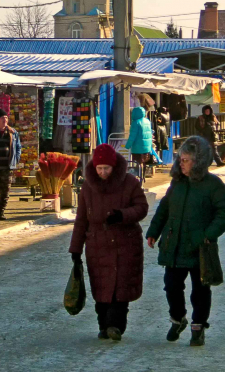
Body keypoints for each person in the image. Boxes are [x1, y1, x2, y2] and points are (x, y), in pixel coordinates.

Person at [146, 136, 225, 347]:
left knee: (200, 290)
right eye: (180, 159)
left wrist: (207, 235)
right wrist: (154, 231)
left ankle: (198, 326)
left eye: (186, 159)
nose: (181, 163)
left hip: (200, 248)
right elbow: (165, 208)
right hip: (174, 245)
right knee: (171, 287)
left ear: (199, 161)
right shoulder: (177, 183)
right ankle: (178, 319)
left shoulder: (213, 185)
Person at [69, 144, 148, 341]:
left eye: (107, 168)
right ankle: (104, 326)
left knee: (120, 289)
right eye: (99, 168)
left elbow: (142, 207)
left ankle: (115, 326)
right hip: (98, 244)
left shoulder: (129, 182)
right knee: (101, 288)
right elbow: (81, 220)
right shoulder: (88, 186)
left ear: (114, 166)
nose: (103, 172)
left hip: (125, 244)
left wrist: (122, 215)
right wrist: (75, 249)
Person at [125, 106, 161, 181]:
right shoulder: (147, 121)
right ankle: (143, 177)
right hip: (147, 147)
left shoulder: (135, 123)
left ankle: (138, 178)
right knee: (143, 162)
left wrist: (127, 146)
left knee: (138, 163)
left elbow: (132, 136)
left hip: (137, 148)